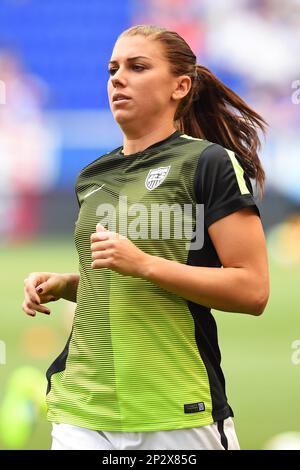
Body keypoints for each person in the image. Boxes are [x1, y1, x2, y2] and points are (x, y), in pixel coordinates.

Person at [22, 25, 269, 450]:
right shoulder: (92, 177)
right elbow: (120, 283)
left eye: (137, 67)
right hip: (83, 408)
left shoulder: (208, 163)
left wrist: (144, 263)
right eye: (112, 69)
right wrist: (68, 285)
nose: (118, 78)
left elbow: (252, 290)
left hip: (174, 410)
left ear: (181, 86)